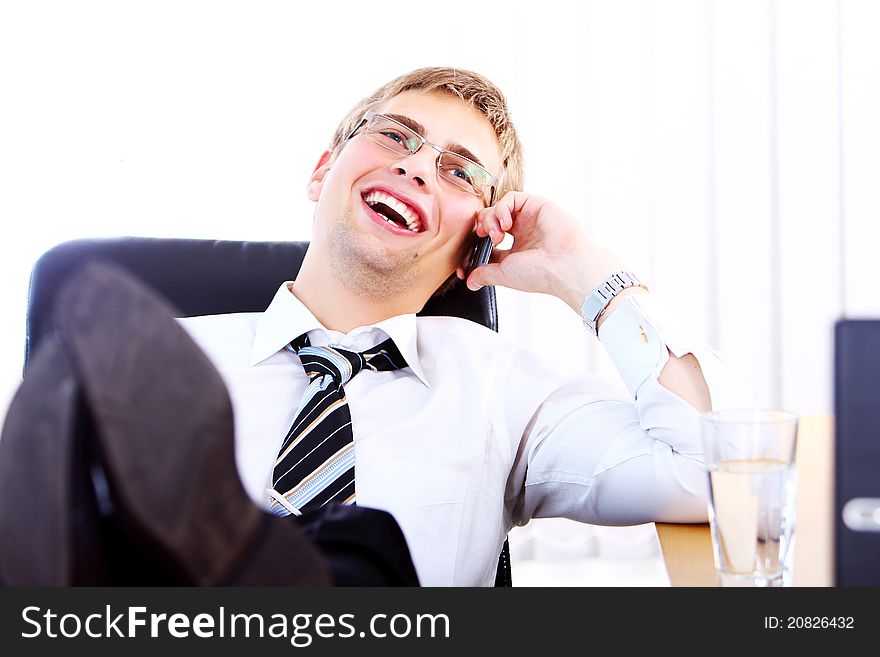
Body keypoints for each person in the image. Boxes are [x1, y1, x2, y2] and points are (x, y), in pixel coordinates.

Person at [178, 66, 724, 586]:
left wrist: (584, 272)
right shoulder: (143, 359)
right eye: (394, 136)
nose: (415, 168)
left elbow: (713, 473)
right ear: (323, 172)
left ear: (475, 249)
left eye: (460, 172)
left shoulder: (501, 391)